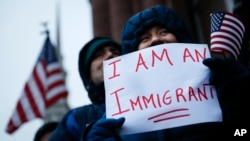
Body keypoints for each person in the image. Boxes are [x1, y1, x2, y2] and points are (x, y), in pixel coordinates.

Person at [83, 5, 250, 141]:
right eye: (145, 38)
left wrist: (238, 89)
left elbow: (242, 132)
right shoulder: (120, 110)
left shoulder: (216, 82)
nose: (156, 39)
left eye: (163, 32)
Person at [48, 37, 121, 141]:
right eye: (98, 55)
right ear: (89, 76)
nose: (110, 55)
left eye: (115, 52)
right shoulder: (75, 118)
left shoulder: (151, 99)